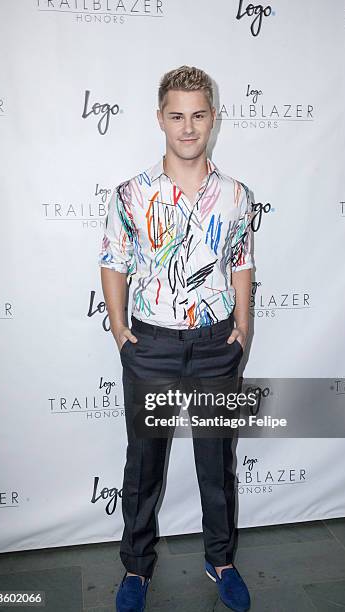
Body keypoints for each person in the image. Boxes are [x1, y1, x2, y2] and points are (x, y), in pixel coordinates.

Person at [99, 65, 253, 612]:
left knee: (217, 462)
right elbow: (114, 262)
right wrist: (120, 329)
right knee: (143, 467)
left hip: (216, 346)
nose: (188, 128)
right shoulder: (131, 194)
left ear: (213, 118)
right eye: (177, 116)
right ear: (160, 119)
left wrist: (243, 326)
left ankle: (221, 559)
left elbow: (241, 261)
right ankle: (136, 569)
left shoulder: (237, 194)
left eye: (198, 115)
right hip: (152, 346)